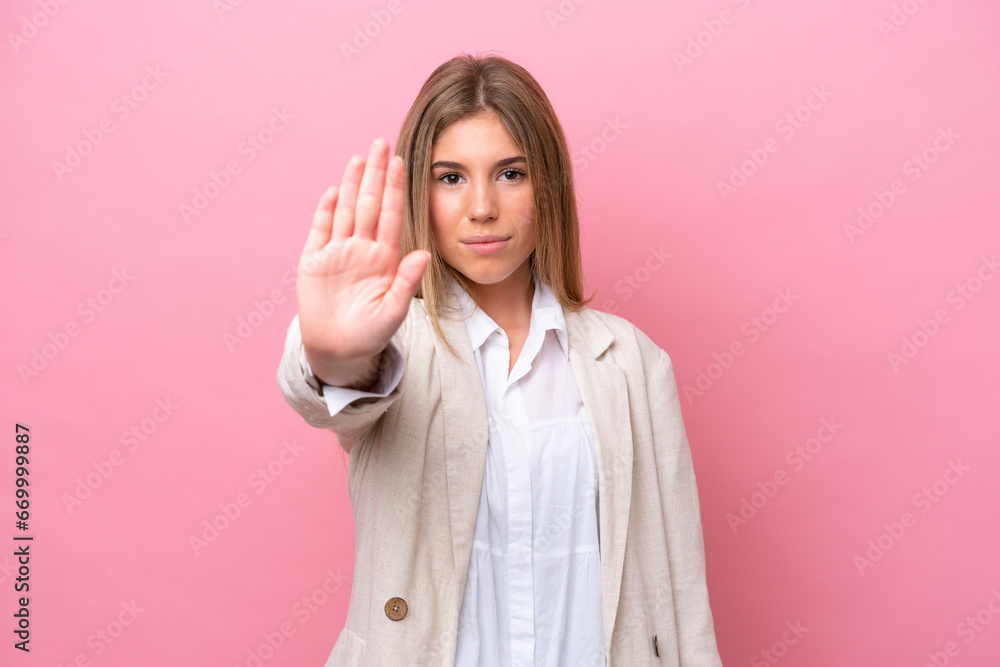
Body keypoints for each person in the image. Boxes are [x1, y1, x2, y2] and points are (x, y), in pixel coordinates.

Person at [277, 53, 723, 666]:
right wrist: (334, 355)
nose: (482, 206)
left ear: (549, 186)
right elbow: (331, 390)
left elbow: (681, 597)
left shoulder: (632, 363)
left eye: (511, 173)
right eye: (451, 178)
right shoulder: (394, 349)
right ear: (420, 193)